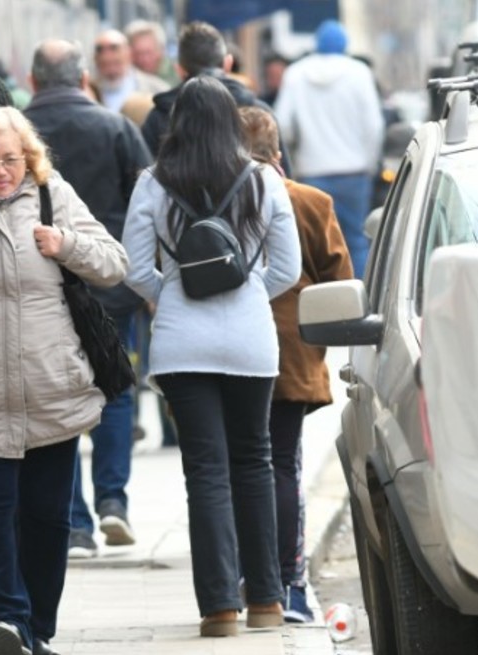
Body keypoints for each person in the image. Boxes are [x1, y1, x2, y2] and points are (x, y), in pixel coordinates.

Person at [0, 106, 128, 655]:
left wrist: (66, 245)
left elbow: (115, 263)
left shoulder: (52, 194)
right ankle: (9, 621)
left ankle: (35, 627)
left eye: (10, 160)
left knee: (46, 520)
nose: (0, 172)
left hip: (50, 384)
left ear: (28, 157)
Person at [122, 77, 301, 637]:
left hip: (181, 343)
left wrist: (170, 294)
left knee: (205, 472)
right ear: (230, 122)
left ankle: (220, 607)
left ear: (177, 124)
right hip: (251, 341)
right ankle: (268, 600)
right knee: (255, 463)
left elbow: (133, 268)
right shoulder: (263, 181)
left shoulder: (152, 183)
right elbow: (287, 269)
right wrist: (246, 296)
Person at [23, 39, 152, 560]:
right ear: (83, 79)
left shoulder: (16, 135)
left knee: (56, 402)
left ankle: (75, 523)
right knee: (116, 391)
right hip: (107, 289)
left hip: (40, 287)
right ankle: (114, 501)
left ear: (32, 81)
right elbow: (143, 204)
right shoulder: (116, 127)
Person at [239, 106, 353, 624]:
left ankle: (242, 578)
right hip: (290, 351)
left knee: (233, 467)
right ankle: (290, 584)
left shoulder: (216, 201)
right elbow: (339, 285)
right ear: (277, 153)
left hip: (226, 348)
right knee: (282, 464)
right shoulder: (310, 201)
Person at [273, 20, 383, 278]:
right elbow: (374, 126)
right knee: (356, 239)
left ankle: (320, 304)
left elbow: (283, 125)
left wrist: (297, 159)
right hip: (354, 173)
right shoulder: (359, 73)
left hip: (312, 174)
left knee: (313, 245)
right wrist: (369, 162)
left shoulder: (296, 74)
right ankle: (359, 301)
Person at [140, 21, 287, 174]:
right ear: (228, 63)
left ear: (179, 69)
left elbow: (146, 182)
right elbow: (285, 184)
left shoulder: (158, 117)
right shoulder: (261, 115)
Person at [94, 29, 170, 113]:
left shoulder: (157, 90)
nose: (107, 56)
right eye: (100, 50)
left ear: (128, 52)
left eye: (114, 48)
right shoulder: (88, 92)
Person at [125, 19, 180, 87]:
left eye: (148, 52)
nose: (144, 59)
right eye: (138, 53)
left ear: (161, 50)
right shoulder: (123, 76)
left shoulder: (177, 74)